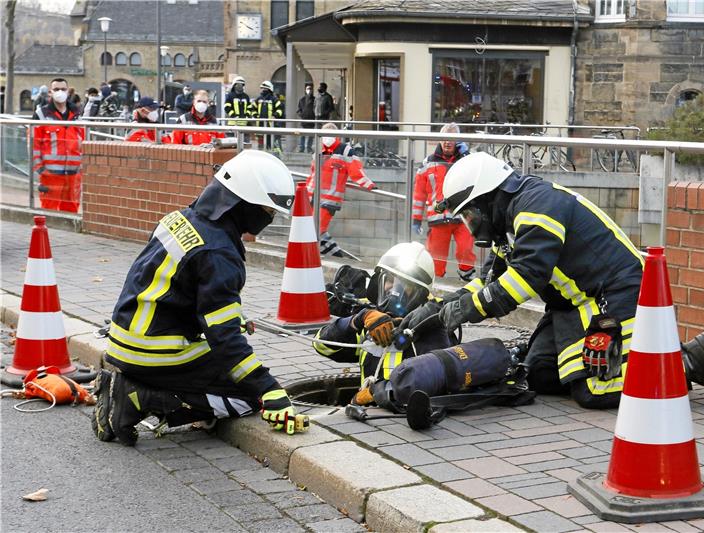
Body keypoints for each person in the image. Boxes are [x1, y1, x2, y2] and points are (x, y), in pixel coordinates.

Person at [400, 152, 704, 409]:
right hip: (575, 304)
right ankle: (611, 366)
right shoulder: (510, 220)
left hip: (617, 292)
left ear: (487, 198)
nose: (471, 225)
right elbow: (491, 280)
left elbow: (525, 279)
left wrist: (466, 311)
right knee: (537, 373)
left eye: (470, 215)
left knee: (593, 391)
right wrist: (439, 306)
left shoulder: (536, 205)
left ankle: (688, 360)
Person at [92, 150, 307, 446]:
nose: (269, 217)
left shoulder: (178, 219)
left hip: (124, 340)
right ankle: (138, 398)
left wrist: (230, 320)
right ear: (243, 203)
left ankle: (134, 384)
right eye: (267, 210)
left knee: (227, 364)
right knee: (248, 398)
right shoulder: (219, 253)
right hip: (154, 351)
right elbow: (224, 338)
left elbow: (178, 292)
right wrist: (268, 388)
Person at [313, 242, 453, 401]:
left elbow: (434, 382)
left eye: (403, 285)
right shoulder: (373, 323)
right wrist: (358, 320)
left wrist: (377, 393)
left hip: (398, 420)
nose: (393, 290)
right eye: (390, 280)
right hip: (366, 419)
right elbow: (322, 346)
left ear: (419, 293)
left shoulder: (431, 330)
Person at [412, 123, 475, 281]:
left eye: (452, 139)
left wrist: (467, 155)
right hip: (438, 218)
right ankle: (436, 288)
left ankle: (467, 283)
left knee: (466, 251)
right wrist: (416, 219)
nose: (448, 142)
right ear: (439, 140)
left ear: (458, 141)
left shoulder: (467, 161)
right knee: (436, 259)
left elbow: (477, 178)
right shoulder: (428, 163)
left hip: (463, 215)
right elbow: (419, 193)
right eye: (445, 138)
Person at [305, 122, 375, 257]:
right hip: (313, 196)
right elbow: (312, 174)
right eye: (324, 134)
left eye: (330, 134)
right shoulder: (319, 150)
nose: (327, 137)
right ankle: (336, 255)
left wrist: (368, 184)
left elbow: (356, 171)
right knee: (314, 230)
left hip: (330, 200)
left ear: (337, 135)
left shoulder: (346, 151)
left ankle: (336, 255)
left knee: (316, 230)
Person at [31, 77, 84, 213]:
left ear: (68, 91)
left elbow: (83, 142)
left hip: (73, 175)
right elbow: (33, 145)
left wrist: (82, 169)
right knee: (49, 213)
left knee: (71, 213)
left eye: (63, 89)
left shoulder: (77, 114)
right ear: (50, 92)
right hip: (51, 175)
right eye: (56, 89)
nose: (60, 92)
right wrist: (41, 169)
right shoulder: (41, 114)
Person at [252, 80, 283, 151]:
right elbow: (253, 108)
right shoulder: (259, 99)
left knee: (271, 143)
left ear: (270, 89)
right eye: (263, 88)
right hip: (260, 125)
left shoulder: (274, 99)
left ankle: (274, 155)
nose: (264, 90)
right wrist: (255, 115)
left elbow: (280, 109)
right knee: (261, 144)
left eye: (265, 88)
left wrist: (275, 115)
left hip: (271, 125)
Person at [297, 82, 315, 153]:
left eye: (310, 89)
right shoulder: (302, 100)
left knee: (311, 135)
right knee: (302, 135)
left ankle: (309, 148)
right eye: (308, 89)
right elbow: (299, 110)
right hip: (304, 120)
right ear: (305, 90)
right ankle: (302, 148)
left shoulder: (314, 99)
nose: (309, 90)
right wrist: (301, 115)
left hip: (312, 120)